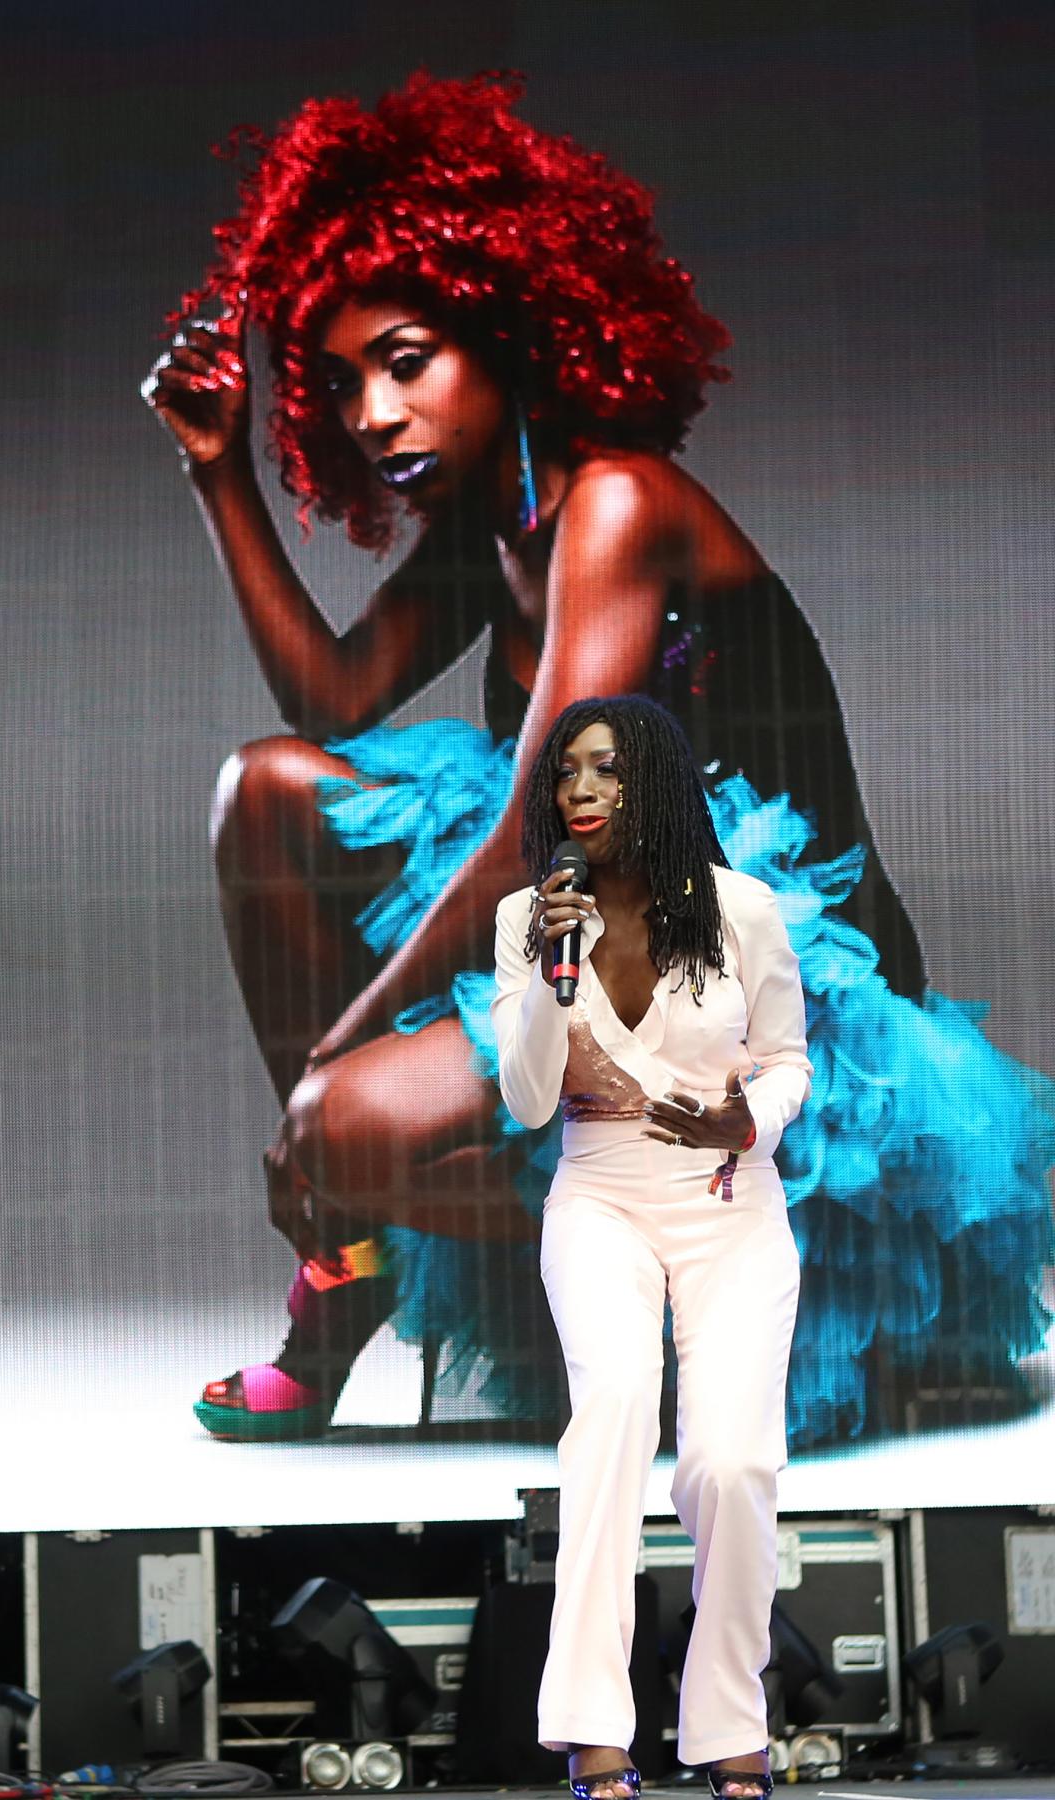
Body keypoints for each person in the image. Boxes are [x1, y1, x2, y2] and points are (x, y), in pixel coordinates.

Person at [142, 70, 1054, 1447]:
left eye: (405, 361)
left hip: (768, 992)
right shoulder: (494, 525)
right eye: (339, 386)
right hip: (598, 932)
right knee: (262, 793)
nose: (372, 415)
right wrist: (219, 473)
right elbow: (328, 698)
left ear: (511, 335)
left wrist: (334, 1063)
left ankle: (671, 1262)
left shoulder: (620, 503)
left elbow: (531, 834)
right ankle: (350, 1266)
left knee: (341, 1122)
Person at [494, 692, 809, 1799]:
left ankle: (729, 1726)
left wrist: (747, 1118)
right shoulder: (529, 921)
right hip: (602, 1192)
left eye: (607, 770)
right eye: (567, 773)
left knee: (732, 1463)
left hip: (730, 1195)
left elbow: (786, 1061)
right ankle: (593, 1733)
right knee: (614, 1417)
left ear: (657, 784)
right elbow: (530, 1100)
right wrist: (543, 968)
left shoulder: (744, 911)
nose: (580, 790)